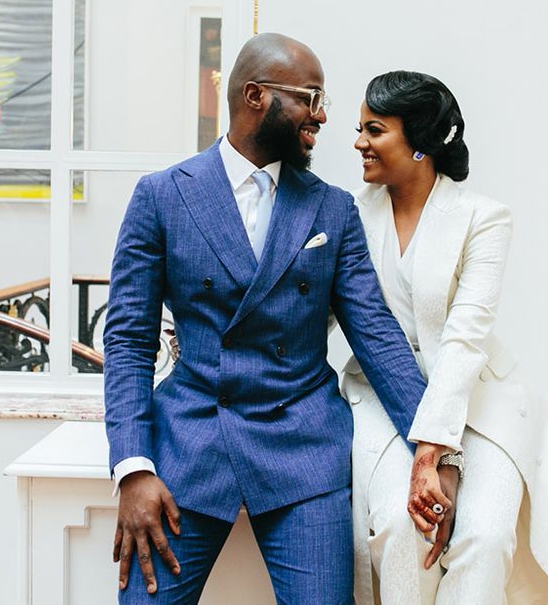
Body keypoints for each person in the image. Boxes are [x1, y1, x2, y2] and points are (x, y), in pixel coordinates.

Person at [103, 34, 452, 603]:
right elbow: (128, 340)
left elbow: (378, 337)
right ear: (256, 95)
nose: (320, 116)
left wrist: (435, 448)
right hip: (189, 443)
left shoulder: (331, 208)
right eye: (311, 98)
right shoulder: (161, 196)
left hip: (302, 448)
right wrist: (132, 466)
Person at [343, 70, 548, 604]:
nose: (358, 142)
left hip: (479, 397)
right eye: (359, 128)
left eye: (374, 129)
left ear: (422, 143)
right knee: (404, 529)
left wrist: (436, 455)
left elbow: (465, 339)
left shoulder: (483, 218)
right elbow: (317, 313)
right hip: (382, 397)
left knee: (485, 535)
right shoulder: (347, 217)